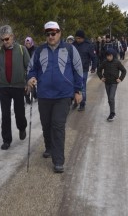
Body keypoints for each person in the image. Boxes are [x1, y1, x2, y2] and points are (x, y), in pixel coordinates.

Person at [27, 21, 83, 173]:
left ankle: (58, 161)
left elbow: (79, 70)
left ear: (60, 33)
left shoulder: (70, 49)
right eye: (48, 34)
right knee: (46, 124)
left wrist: (78, 91)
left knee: (57, 125)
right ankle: (49, 147)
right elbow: (32, 69)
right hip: (44, 95)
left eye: (54, 33)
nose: (51, 36)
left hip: (63, 95)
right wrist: (31, 78)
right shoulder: (39, 51)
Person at [0, 25, 30, 150]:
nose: (5, 42)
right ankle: (6, 140)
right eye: (2, 40)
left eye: (7, 39)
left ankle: (22, 127)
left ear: (12, 37)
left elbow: (29, 67)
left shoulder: (21, 49)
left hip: (19, 86)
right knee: (5, 114)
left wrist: (28, 82)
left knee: (19, 112)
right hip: (4, 87)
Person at [97, 49, 127, 121]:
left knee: (111, 98)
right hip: (107, 82)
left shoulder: (117, 62)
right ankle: (112, 111)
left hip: (114, 83)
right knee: (109, 99)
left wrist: (120, 79)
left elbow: (124, 71)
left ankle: (112, 113)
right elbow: (99, 70)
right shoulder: (104, 62)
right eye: (107, 56)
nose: (108, 57)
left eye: (110, 56)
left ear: (113, 55)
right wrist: (101, 77)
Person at [72, 30, 97, 111]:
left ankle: (82, 103)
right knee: (73, 86)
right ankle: (76, 101)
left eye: (79, 38)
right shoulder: (73, 45)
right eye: (76, 38)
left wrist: (93, 67)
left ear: (83, 38)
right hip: (74, 69)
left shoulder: (89, 45)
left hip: (84, 69)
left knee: (82, 87)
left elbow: (94, 57)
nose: (77, 40)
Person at [24, 36, 37, 104]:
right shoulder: (23, 50)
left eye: (29, 43)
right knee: (26, 84)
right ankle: (27, 98)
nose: (28, 45)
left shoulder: (34, 49)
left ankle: (35, 95)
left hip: (32, 68)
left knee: (32, 83)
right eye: (26, 43)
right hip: (25, 69)